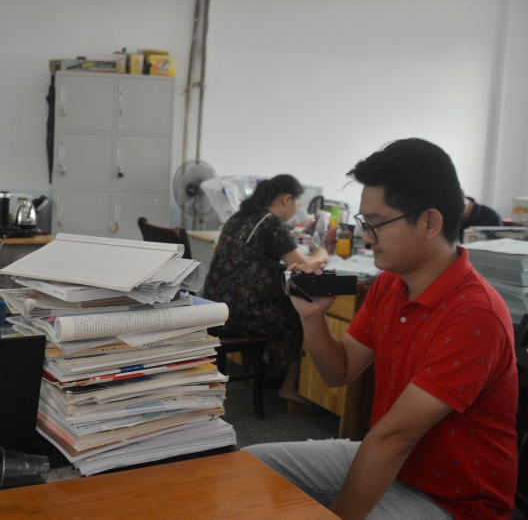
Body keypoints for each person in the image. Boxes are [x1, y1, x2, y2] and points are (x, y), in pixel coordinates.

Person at [245, 139, 518, 519]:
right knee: (248, 468)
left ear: (430, 222)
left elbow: (396, 438)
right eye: (364, 223)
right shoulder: (390, 283)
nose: (367, 237)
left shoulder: (475, 315)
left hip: (454, 503)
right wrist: (312, 317)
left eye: (376, 224)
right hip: (394, 462)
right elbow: (338, 372)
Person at [202, 174, 328, 411]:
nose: (297, 212)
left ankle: (262, 374)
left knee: (274, 306)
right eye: (298, 205)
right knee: (296, 317)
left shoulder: (240, 216)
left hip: (214, 308)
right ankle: (287, 387)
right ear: (287, 199)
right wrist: (322, 253)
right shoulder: (271, 223)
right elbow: (305, 268)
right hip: (240, 314)